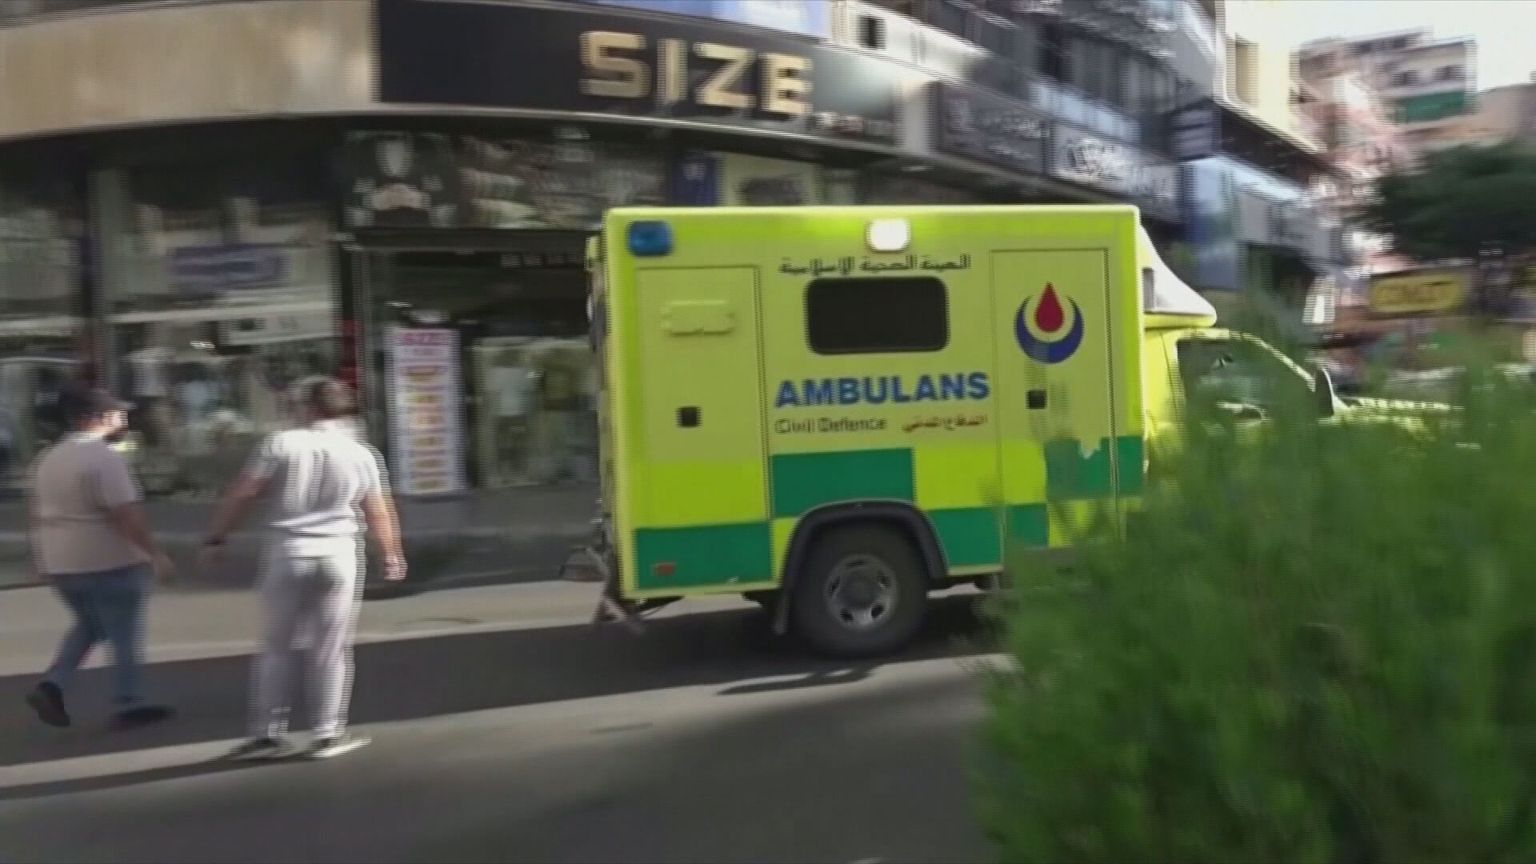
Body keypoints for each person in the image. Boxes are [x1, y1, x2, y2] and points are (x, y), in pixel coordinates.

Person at [201, 376, 405, 761]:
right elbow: (378, 509)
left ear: (308, 407)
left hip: (288, 552)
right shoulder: (361, 452)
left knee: (276, 647)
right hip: (340, 554)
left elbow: (244, 492)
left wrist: (217, 537)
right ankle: (327, 734)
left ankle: (267, 734)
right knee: (332, 648)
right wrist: (391, 554)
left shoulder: (280, 444)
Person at [25, 386, 176, 730]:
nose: (124, 419)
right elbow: (125, 514)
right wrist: (154, 553)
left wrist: (41, 558)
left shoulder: (46, 459)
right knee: (124, 632)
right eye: (118, 414)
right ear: (96, 418)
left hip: (62, 563)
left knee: (91, 624)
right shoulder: (104, 458)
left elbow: (36, 514)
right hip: (108, 560)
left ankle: (52, 685)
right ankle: (130, 702)